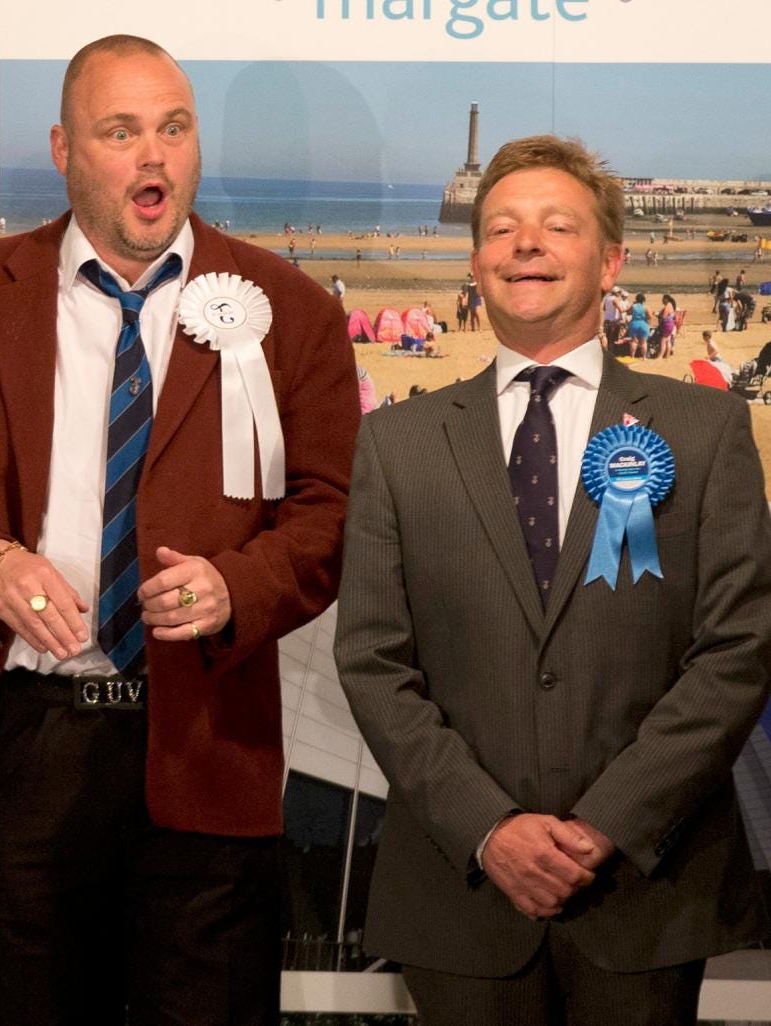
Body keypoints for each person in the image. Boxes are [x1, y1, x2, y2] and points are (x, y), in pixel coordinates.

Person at [0, 34, 358, 1026]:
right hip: (25, 744)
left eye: (174, 128)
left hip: (208, 739)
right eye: (121, 131)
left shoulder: (291, 311)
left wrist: (238, 586)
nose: (154, 155)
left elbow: (332, 513)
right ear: (63, 149)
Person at [335, 134, 771, 1026]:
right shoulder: (396, 445)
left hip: (646, 893)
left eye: (557, 226)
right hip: (459, 895)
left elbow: (737, 650)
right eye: (501, 228)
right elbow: (373, 661)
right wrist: (488, 829)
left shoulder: (706, 430)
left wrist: (609, 822)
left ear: (610, 262)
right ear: (476, 262)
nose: (525, 244)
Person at [627, 291, 650, 357]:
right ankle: (644, 357)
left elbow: (628, 312)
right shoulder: (646, 307)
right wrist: (645, 318)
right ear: (643, 300)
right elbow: (650, 316)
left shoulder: (634, 306)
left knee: (634, 341)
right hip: (643, 323)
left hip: (634, 323)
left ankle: (632, 356)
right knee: (643, 342)